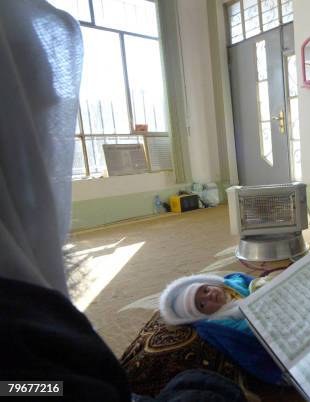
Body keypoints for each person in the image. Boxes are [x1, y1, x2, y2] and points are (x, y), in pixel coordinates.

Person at [0, 1, 245, 401]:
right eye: (38, 119)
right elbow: (35, 389)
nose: (45, 142)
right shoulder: (23, 343)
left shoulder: (26, 329)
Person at [160, 273, 284, 385]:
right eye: (202, 304)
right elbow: (246, 329)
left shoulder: (229, 287)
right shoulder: (220, 319)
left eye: (205, 290)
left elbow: (241, 279)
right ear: (202, 316)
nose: (209, 295)